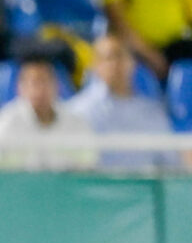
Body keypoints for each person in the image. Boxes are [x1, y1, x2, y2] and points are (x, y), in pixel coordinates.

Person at [66, 30, 186, 169]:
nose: (116, 64)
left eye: (121, 56)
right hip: (97, 187)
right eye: (109, 58)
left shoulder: (152, 112)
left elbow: (171, 164)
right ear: (95, 65)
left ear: (132, 63)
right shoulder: (77, 112)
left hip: (143, 187)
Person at [0, 54, 95, 169]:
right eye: (34, 82)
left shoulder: (76, 123)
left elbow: (89, 166)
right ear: (20, 88)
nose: (40, 89)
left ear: (57, 85)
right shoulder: (3, 125)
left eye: (45, 81)